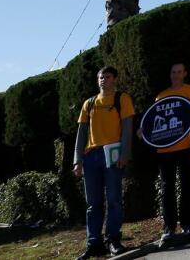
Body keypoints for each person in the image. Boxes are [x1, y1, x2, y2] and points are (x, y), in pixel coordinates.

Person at [73, 66, 133, 260]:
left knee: (114, 199)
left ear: (114, 79)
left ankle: (113, 240)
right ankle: (94, 244)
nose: (103, 80)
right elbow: (81, 134)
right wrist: (77, 161)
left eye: (107, 77)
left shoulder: (121, 99)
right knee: (93, 204)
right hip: (91, 157)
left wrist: (125, 154)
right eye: (100, 77)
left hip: (113, 154)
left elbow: (127, 129)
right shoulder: (89, 103)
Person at [154, 62, 190, 242]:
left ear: (185, 73)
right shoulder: (161, 96)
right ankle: (169, 226)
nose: (176, 75)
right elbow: (153, 122)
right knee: (167, 188)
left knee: (186, 185)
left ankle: (187, 224)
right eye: (173, 72)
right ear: (170, 74)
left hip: (188, 145)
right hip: (165, 149)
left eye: (179, 72)